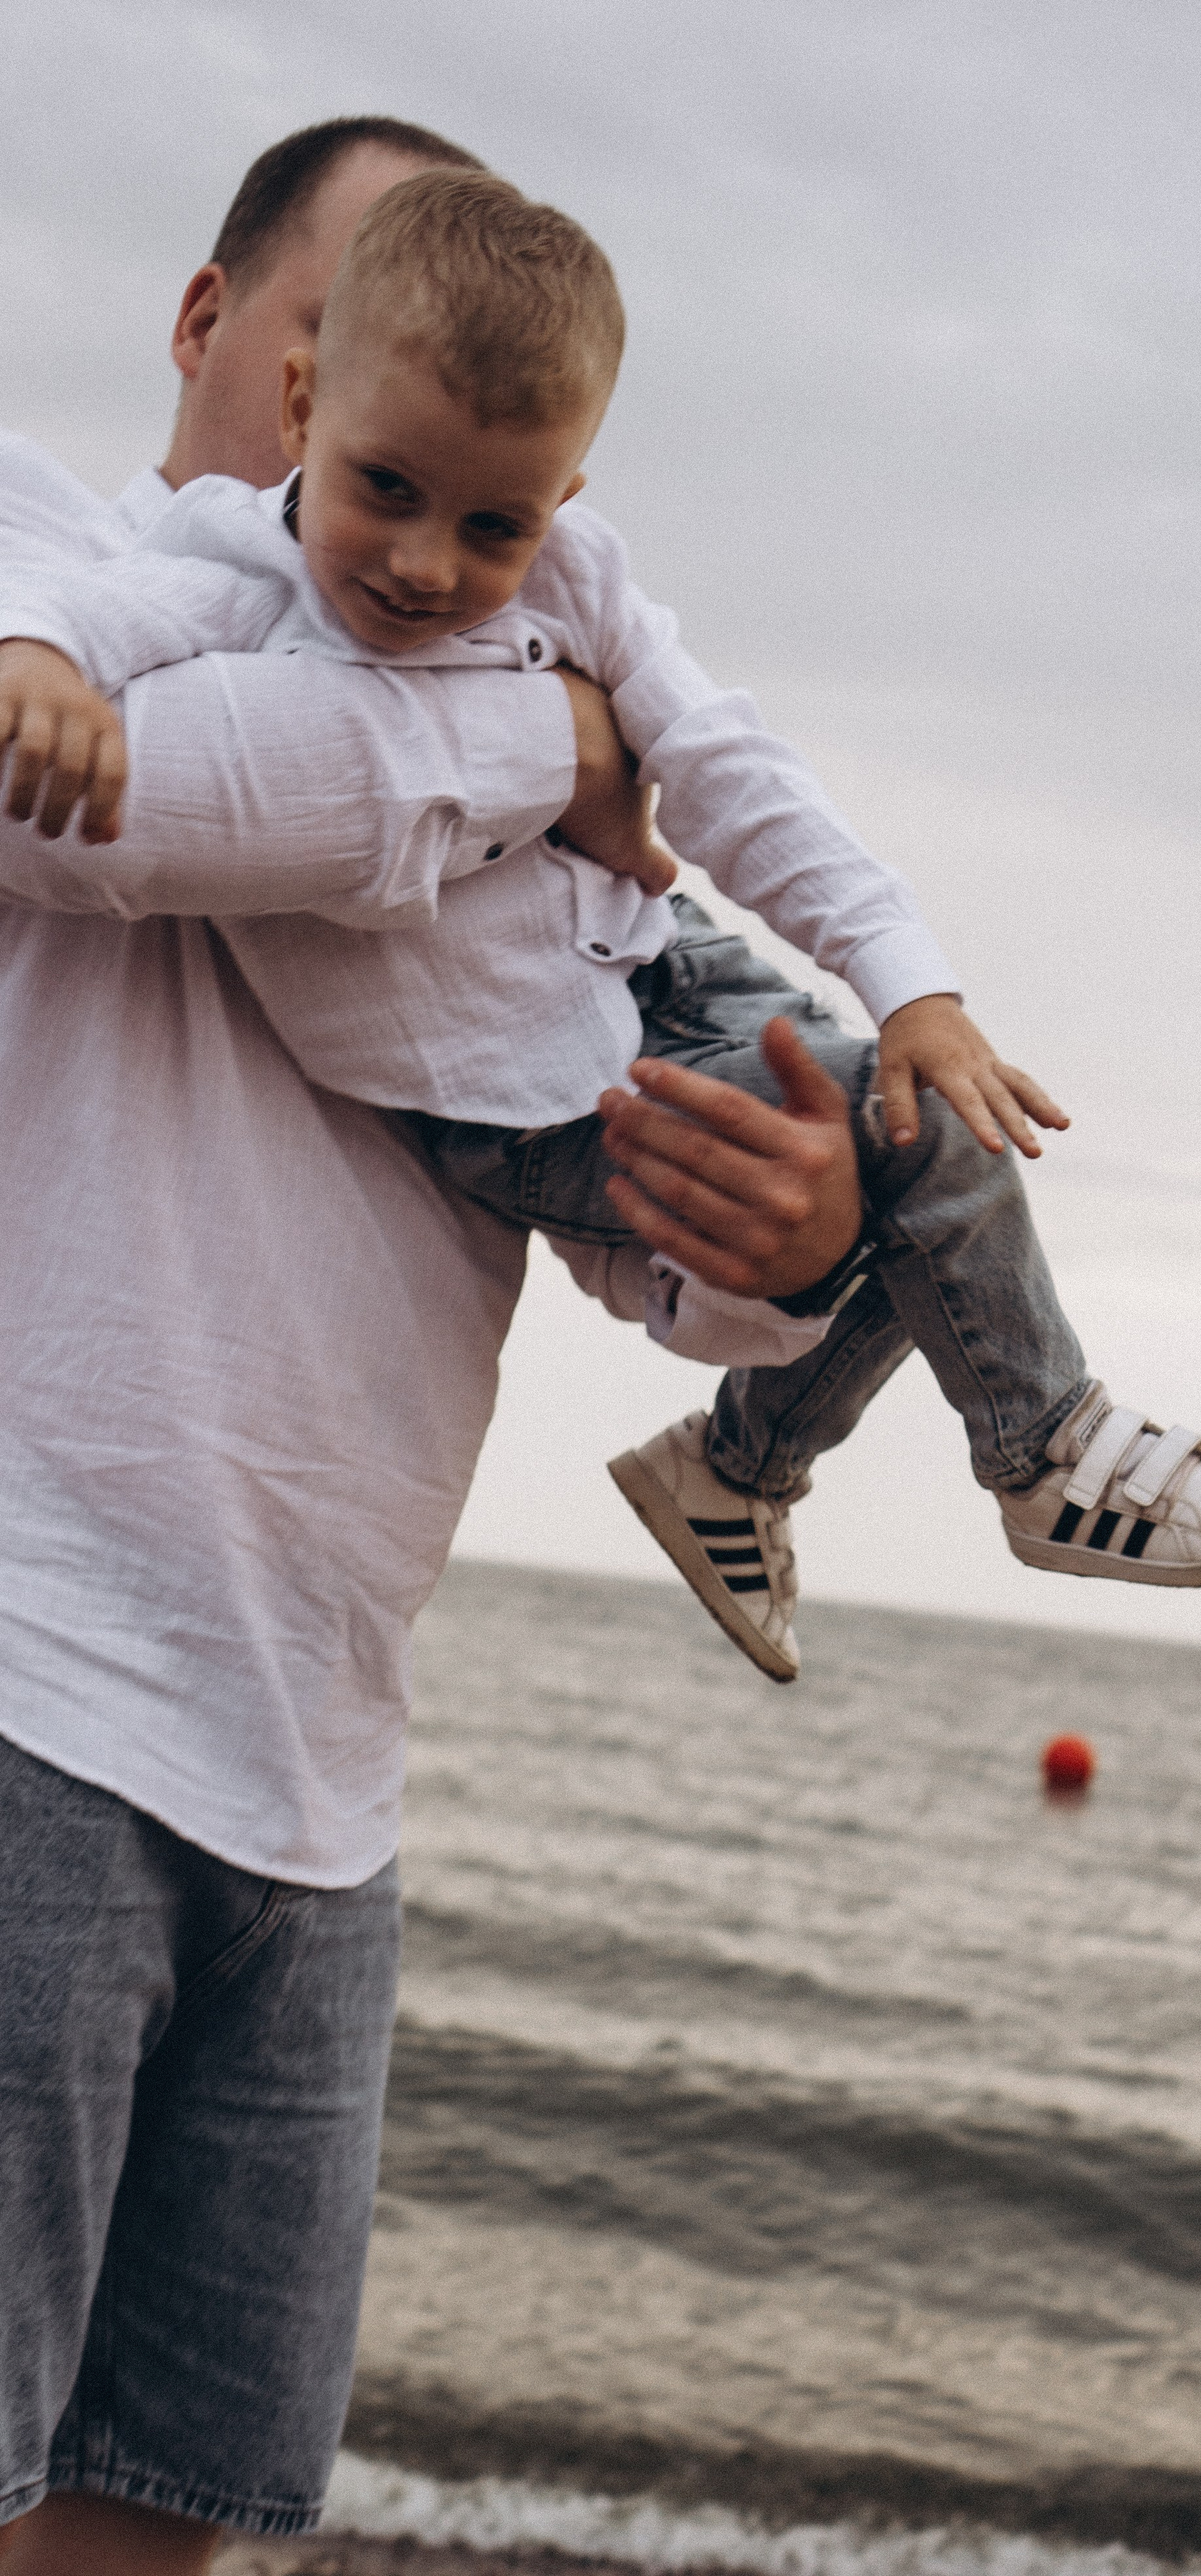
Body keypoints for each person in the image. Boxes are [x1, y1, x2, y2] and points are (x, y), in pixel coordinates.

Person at [0, 119, 868, 2576]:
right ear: (220, 334)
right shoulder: (41, 565)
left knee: (150, 2523)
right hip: (34, 1675)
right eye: (335, 354)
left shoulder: (495, 705)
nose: (403, 507)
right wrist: (579, 756)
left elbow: (648, 1240)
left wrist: (790, 1237)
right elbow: (125, 805)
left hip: (321, 1776)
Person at [0, 168, 1201, 1694]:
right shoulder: (231, 563)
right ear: (298, 402)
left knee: (907, 1103)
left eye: (491, 522)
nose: (425, 565)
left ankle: (737, 1476)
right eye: (388, 493)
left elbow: (735, 770)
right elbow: (110, 632)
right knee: (921, 1164)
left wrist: (911, 985)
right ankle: (1042, 1450)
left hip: (645, 962)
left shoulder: (575, 574)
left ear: (563, 499)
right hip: (505, 1083)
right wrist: (36, 660)